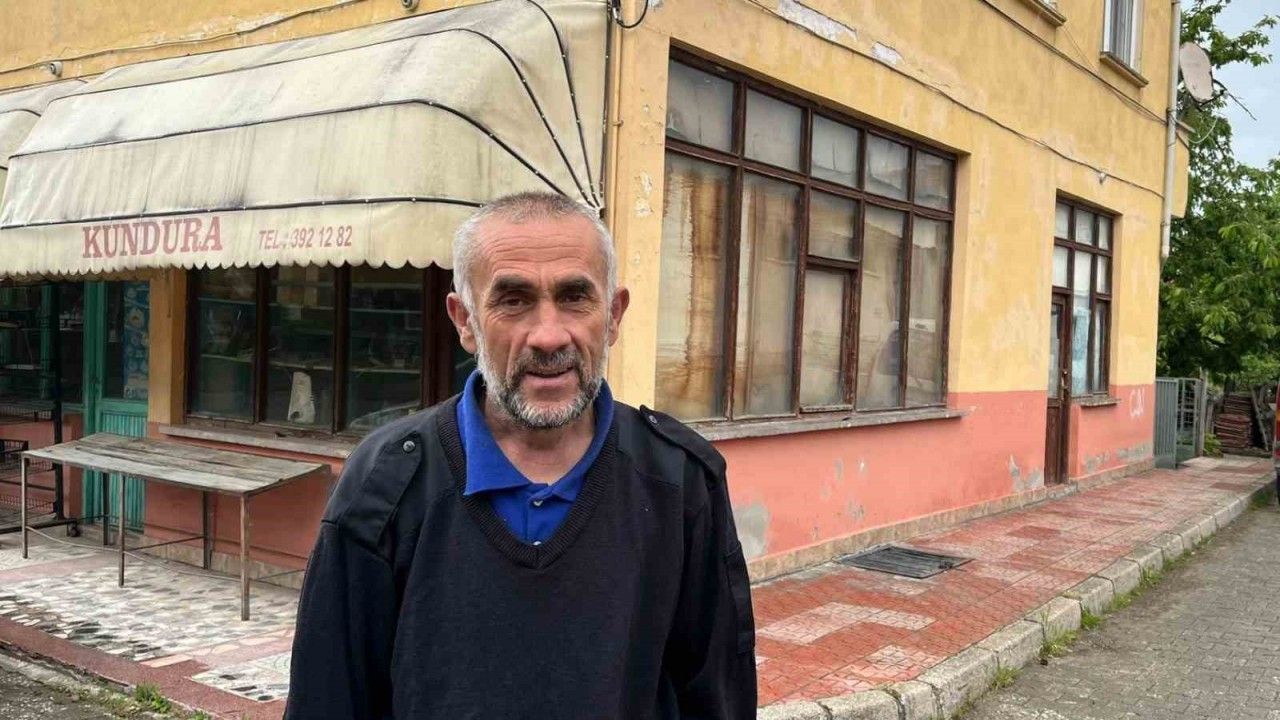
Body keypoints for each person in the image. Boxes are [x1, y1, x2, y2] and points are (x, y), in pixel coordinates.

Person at [284, 192, 757, 719]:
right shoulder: (385, 482)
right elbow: (328, 700)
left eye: (575, 297)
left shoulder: (680, 480)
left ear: (614, 315)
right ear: (465, 320)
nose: (548, 336)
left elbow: (717, 698)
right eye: (513, 300)